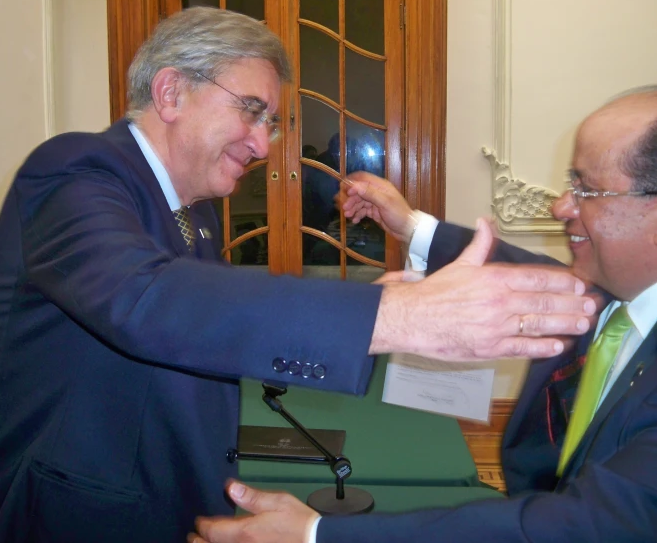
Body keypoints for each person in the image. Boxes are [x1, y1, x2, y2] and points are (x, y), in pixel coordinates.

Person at [0, 7, 595, 543]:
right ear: (170, 92)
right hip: (58, 517)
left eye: (271, 122)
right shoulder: (75, 171)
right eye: (250, 111)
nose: (263, 145)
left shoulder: (200, 211)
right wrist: (396, 319)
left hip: (167, 493)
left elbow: (210, 325)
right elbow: (145, 298)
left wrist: (368, 304)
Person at [189, 87, 657, 542]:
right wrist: (410, 226)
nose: (560, 206)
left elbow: (577, 525)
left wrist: (316, 533)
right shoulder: (615, 294)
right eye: (570, 184)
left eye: (588, 191)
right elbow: (529, 278)